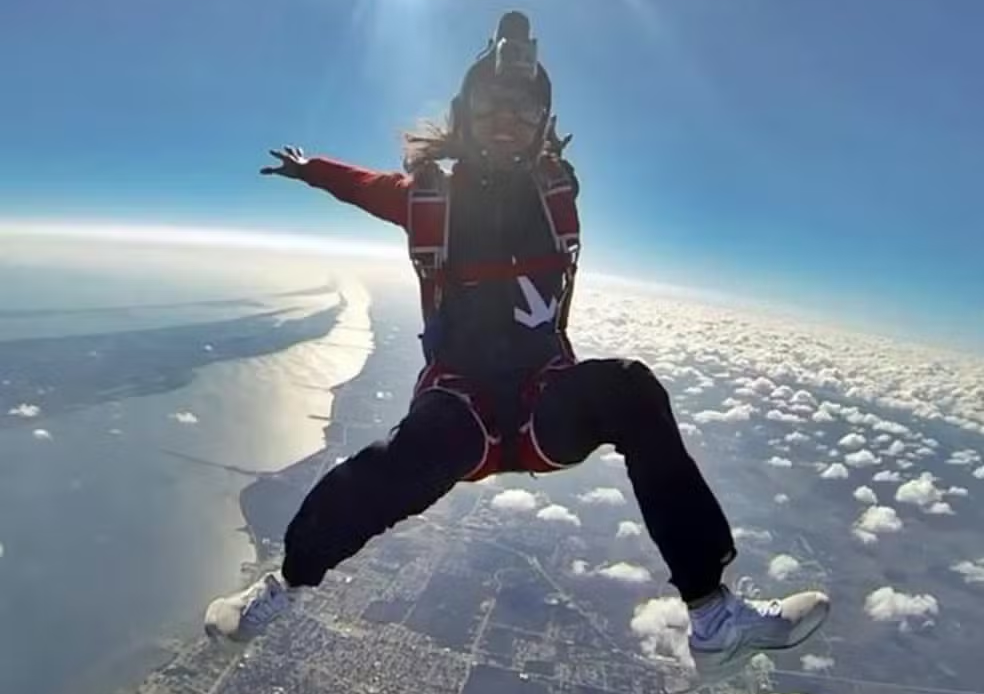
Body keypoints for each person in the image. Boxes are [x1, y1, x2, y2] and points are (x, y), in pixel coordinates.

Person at [204, 10, 830, 683]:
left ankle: (713, 617)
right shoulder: (426, 199)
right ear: (463, 114)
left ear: (541, 124)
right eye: (491, 103)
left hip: (543, 407)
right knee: (393, 464)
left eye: (523, 107)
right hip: (461, 407)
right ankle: (283, 585)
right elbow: (362, 185)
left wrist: (516, 66)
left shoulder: (553, 187)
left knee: (632, 387)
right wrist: (312, 169)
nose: (507, 116)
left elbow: (525, 147)